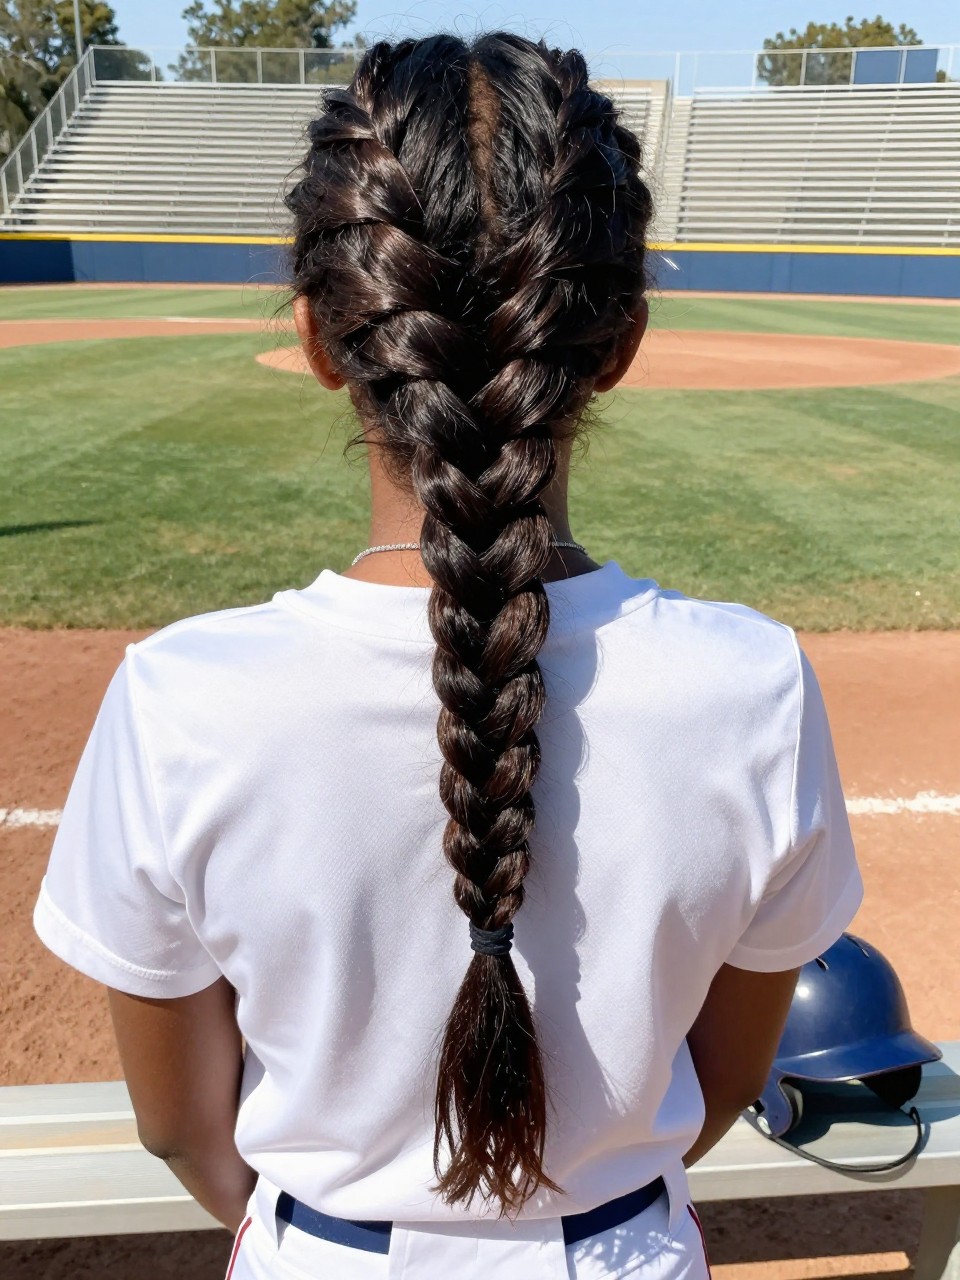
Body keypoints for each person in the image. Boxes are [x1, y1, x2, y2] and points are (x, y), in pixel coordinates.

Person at [32, 31, 863, 1280]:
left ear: (320, 339)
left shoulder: (179, 699)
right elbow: (731, 1070)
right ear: (622, 341)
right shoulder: (753, 685)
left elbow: (182, 1124)